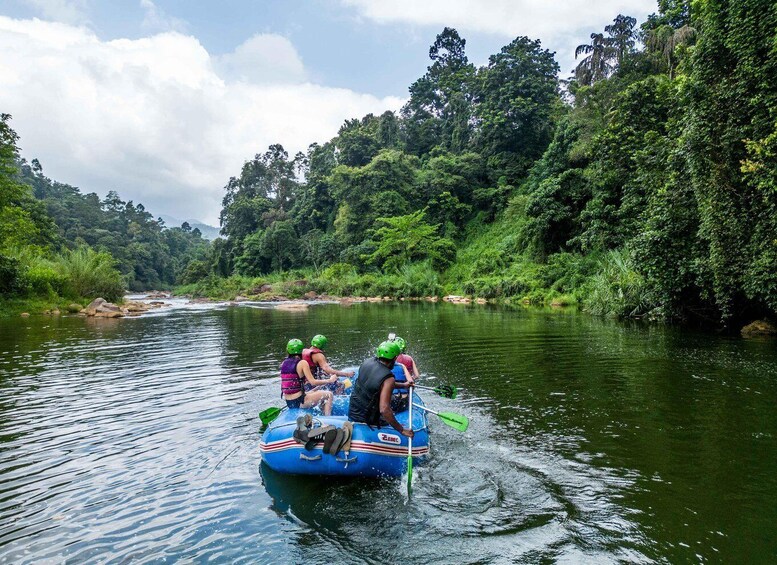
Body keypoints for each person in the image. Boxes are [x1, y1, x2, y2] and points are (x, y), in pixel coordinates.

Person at [348, 341, 414, 438]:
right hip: (367, 419)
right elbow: (384, 409)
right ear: (394, 358)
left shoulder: (367, 362)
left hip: (353, 413)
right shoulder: (388, 378)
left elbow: (380, 384)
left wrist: (403, 385)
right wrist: (402, 430)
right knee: (399, 403)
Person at [280, 338, 337, 415]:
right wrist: (330, 380)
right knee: (329, 394)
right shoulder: (302, 363)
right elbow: (313, 382)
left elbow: (292, 384)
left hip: (289, 402)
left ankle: (320, 412)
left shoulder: (283, 363)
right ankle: (327, 420)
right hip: (300, 401)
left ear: (288, 350)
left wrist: (314, 389)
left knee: (315, 390)